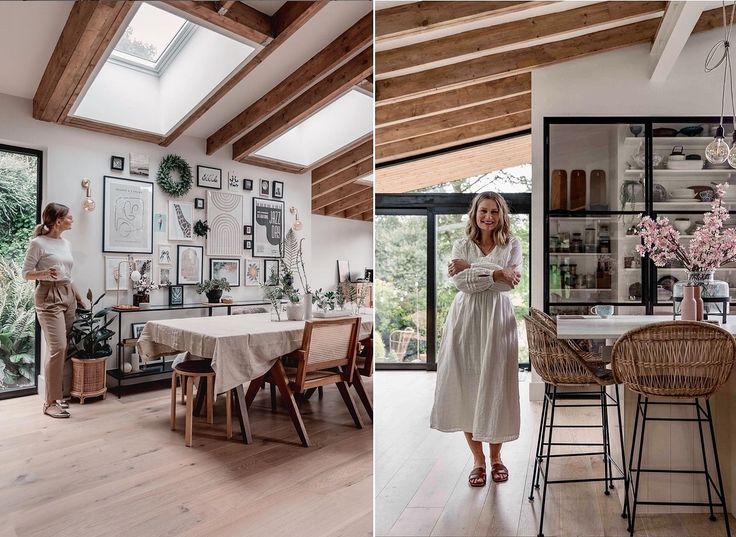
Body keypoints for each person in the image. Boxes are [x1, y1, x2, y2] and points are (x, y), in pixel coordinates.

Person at [430, 191, 523, 487]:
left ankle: (497, 458)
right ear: (475, 213)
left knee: (495, 386)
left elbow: (509, 285)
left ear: (501, 215)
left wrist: (472, 268)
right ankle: (478, 461)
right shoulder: (461, 244)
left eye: (494, 212)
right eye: (484, 211)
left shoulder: (512, 244)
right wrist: (496, 274)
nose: (488, 217)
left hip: (498, 321)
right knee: (466, 386)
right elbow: (461, 284)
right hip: (465, 321)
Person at [22, 203, 84, 418]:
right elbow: (26, 274)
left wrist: (78, 296)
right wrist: (44, 273)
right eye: (69, 216)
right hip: (48, 297)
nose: (72, 219)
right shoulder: (37, 243)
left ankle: (57, 397)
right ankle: (49, 403)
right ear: (58, 220)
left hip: (68, 295)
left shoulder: (65, 243)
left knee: (60, 349)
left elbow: (68, 273)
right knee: (58, 347)